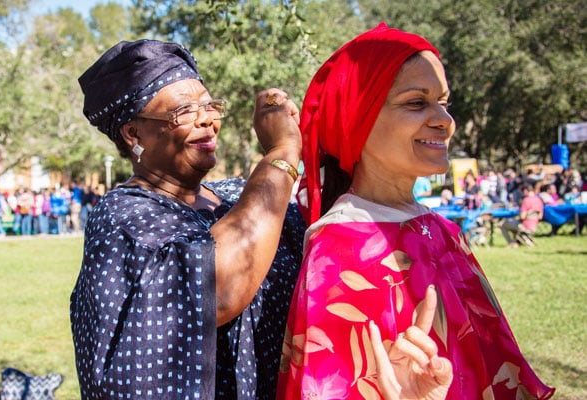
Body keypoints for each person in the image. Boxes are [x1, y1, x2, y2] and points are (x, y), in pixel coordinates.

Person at [277, 23, 554, 399]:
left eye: (444, 102)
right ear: (357, 119)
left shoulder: (442, 229)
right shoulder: (340, 249)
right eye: (416, 102)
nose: (445, 120)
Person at [70, 39, 305, 399]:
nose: (207, 119)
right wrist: (282, 151)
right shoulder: (123, 216)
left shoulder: (235, 195)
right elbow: (220, 289)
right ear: (134, 133)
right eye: (184, 111)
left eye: (209, 105)